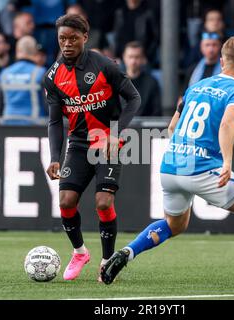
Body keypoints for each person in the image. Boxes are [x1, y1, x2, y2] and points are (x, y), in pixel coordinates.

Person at [100, 37, 234, 295]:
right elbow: (227, 124)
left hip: (171, 166)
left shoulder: (197, 85)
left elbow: (172, 127)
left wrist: (183, 151)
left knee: (174, 224)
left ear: (222, 61)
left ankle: (128, 252)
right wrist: (226, 162)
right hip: (202, 168)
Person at [43, 14, 141, 282]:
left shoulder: (104, 65)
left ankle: (108, 260)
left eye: (73, 38)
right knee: (65, 201)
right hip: (78, 143)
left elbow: (133, 98)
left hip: (108, 140)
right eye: (62, 38)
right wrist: (54, 158)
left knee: (103, 201)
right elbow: (54, 121)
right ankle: (79, 252)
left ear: (85, 38)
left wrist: (117, 133)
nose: (67, 44)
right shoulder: (52, 77)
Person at [0, 36, 46, 121]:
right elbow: (48, 105)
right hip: (34, 127)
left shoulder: (4, 74)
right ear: (35, 52)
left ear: (17, 51)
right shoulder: (41, 73)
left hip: (8, 126)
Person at [122, 42, 161, 116]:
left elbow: (157, 111)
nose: (133, 61)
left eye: (137, 57)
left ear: (143, 59)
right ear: (124, 57)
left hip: (147, 126)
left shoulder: (151, 82)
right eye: (130, 57)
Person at [113, 0, 158, 65]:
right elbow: (117, 37)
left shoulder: (148, 13)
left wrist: (147, 57)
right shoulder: (120, 13)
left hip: (142, 57)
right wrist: (117, 56)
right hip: (124, 57)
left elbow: (155, 38)